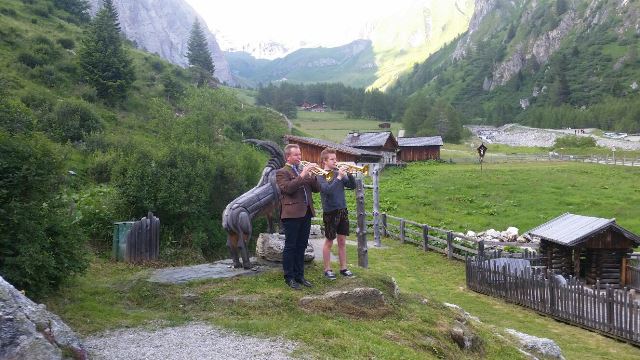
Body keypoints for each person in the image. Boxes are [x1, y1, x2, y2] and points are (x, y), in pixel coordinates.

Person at [275, 144, 321, 290]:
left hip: (306, 212)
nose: (300, 157)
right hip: (291, 214)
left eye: (300, 155)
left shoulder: (302, 170)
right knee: (291, 246)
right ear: (288, 156)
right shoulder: (282, 172)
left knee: (302, 246)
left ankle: (300, 275)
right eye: (296, 155)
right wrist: (302, 175)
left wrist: (313, 176)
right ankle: (289, 277)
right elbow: (288, 189)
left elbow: (316, 189)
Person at [317, 148, 356, 280]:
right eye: (332, 159)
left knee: (342, 241)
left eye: (335, 158)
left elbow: (352, 186)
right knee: (329, 241)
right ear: (324, 161)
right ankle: (327, 269)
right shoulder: (320, 175)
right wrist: (339, 176)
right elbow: (328, 190)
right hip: (330, 212)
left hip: (342, 209)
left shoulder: (337, 173)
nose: (335, 161)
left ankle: (343, 268)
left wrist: (349, 174)